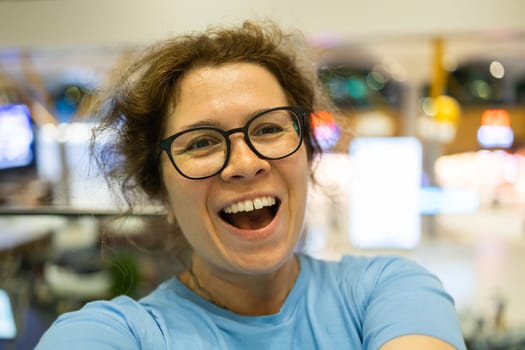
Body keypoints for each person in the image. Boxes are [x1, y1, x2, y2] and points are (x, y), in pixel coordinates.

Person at [36, 21, 466, 349]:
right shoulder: (115, 335)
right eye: (201, 142)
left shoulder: (388, 292)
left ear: (308, 156)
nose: (245, 163)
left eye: (268, 129)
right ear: (160, 190)